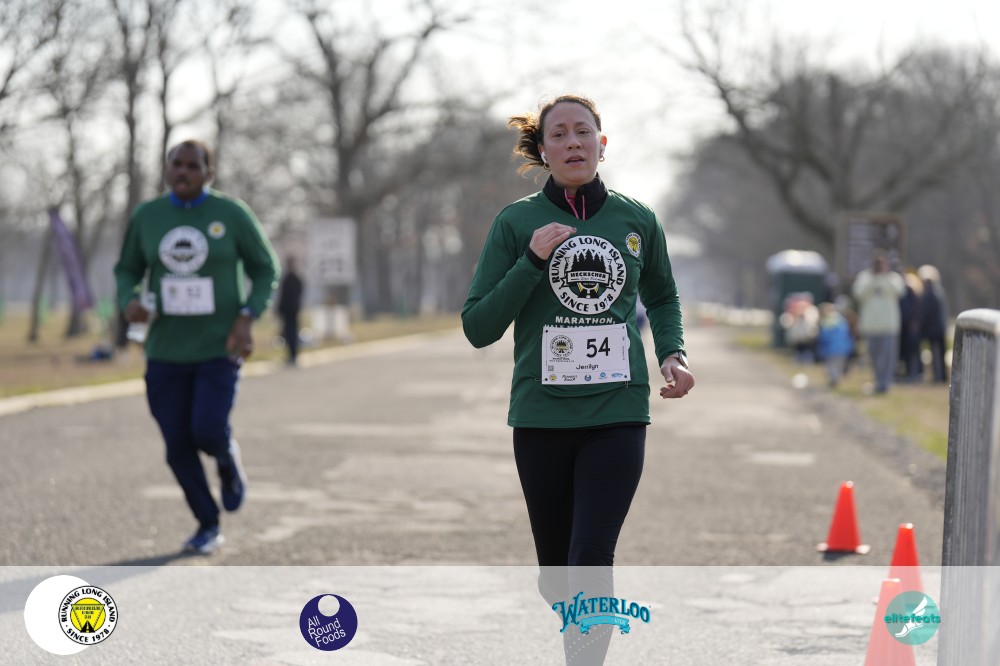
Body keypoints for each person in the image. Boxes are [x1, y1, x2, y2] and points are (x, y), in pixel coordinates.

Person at [462, 95, 694, 665]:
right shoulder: (516, 223)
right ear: (543, 150)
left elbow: (663, 295)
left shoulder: (637, 219)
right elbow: (478, 327)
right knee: (558, 575)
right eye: (559, 134)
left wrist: (672, 353)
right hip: (541, 417)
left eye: (583, 132)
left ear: (601, 144)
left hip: (617, 413)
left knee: (590, 558)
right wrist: (531, 263)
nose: (573, 142)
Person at [114, 139, 279, 554]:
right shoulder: (148, 216)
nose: (183, 172)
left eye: (192, 165)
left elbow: (265, 268)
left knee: (207, 430)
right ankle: (207, 523)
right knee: (177, 446)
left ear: (209, 172)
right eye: (177, 164)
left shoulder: (232, 214)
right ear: (167, 169)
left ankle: (225, 457)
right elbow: (127, 269)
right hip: (165, 351)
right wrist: (129, 300)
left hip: (219, 347)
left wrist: (247, 315)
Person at [851, 249, 905, 394]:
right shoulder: (865, 278)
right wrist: (874, 279)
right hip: (871, 326)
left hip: (888, 325)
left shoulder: (892, 278)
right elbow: (858, 293)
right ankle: (878, 381)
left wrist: (883, 276)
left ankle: (884, 384)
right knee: (874, 357)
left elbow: (899, 291)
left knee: (887, 358)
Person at [918, 264, 949, 383]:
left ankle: (939, 376)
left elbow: (928, 313)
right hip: (939, 328)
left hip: (935, 329)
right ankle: (940, 376)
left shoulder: (930, 294)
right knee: (939, 353)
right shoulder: (938, 292)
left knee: (937, 353)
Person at [816, 302, 853, 388]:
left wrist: (821, 349)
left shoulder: (826, 323)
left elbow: (824, 338)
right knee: (839, 365)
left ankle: (834, 380)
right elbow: (847, 336)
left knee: (831, 366)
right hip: (843, 349)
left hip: (830, 350)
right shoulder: (842, 321)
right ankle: (837, 379)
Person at [276, 256, 305, 366]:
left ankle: (293, 355)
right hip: (289, 310)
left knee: (292, 333)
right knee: (288, 333)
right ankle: (291, 355)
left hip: (292, 310)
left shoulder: (294, 278)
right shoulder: (290, 278)